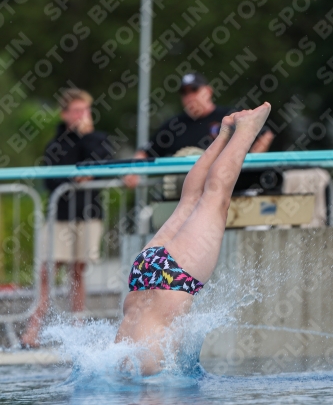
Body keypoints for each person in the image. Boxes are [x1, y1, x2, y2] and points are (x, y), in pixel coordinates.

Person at [115, 102, 272, 376]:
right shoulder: (116, 364)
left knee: (216, 197)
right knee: (188, 202)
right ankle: (224, 133)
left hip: (171, 281)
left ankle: (246, 131)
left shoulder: (140, 381)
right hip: (143, 273)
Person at [21, 88, 129, 348]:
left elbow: (103, 165)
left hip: (87, 215)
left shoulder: (97, 138)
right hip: (60, 216)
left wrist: (87, 136)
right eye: (78, 111)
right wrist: (74, 179)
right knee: (48, 270)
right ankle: (33, 328)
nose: (83, 115)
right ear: (65, 114)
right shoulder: (56, 143)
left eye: (86, 110)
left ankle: (77, 327)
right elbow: (51, 178)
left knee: (78, 272)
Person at [135, 73, 274, 159]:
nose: (189, 96)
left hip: (227, 189)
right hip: (183, 194)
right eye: (184, 92)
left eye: (194, 90)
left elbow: (265, 134)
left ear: (208, 91)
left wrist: (248, 163)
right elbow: (145, 153)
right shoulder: (174, 125)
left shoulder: (229, 116)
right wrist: (133, 172)